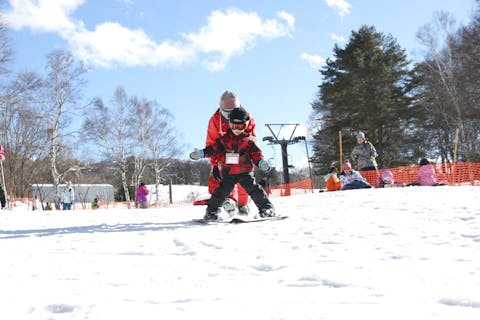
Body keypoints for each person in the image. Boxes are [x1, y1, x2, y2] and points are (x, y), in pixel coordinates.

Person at [190, 107, 274, 221]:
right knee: (220, 192)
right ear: (230, 124)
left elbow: (256, 154)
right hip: (229, 173)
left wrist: (261, 163)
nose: (237, 129)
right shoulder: (224, 140)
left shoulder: (248, 141)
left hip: (245, 172)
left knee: (254, 190)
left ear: (245, 125)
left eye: (240, 126)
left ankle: (267, 209)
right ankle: (211, 212)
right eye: (234, 126)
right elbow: (213, 149)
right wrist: (201, 153)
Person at [205, 90, 256, 215]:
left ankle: (243, 204)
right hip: (225, 153)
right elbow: (211, 142)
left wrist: (252, 155)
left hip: (242, 152)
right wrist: (214, 163)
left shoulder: (247, 117)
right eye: (226, 113)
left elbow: (252, 136)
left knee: (244, 178)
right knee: (226, 178)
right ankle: (230, 201)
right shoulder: (215, 120)